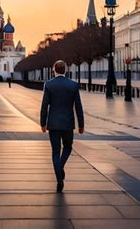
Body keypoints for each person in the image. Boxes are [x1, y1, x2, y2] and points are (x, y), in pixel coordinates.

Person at [40, 60, 84, 193]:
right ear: (65, 70)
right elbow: (78, 107)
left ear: (54, 69)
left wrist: (43, 123)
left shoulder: (49, 84)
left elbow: (44, 106)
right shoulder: (73, 85)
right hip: (68, 124)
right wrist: (81, 125)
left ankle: (59, 177)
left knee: (55, 151)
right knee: (68, 147)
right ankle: (60, 169)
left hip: (53, 123)